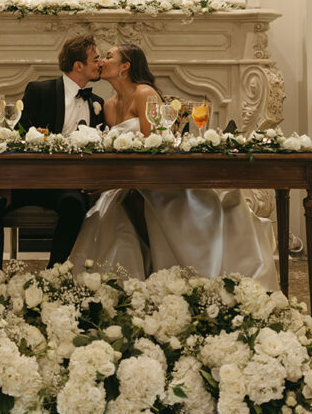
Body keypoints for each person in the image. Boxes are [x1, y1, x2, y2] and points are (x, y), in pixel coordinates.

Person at [69, 43, 277, 288]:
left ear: (125, 66)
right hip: (126, 182)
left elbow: (156, 149)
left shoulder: (145, 94)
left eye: (109, 56)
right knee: (109, 212)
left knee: (131, 202)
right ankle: (125, 283)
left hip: (156, 180)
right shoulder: (108, 105)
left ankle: (183, 274)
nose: (102, 61)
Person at [0, 34, 105, 269]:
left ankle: (52, 276)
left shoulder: (97, 102)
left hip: (70, 186)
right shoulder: (40, 91)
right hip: (30, 182)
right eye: (96, 59)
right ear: (79, 66)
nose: (101, 63)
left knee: (74, 205)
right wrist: (4, 184)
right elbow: (16, 139)